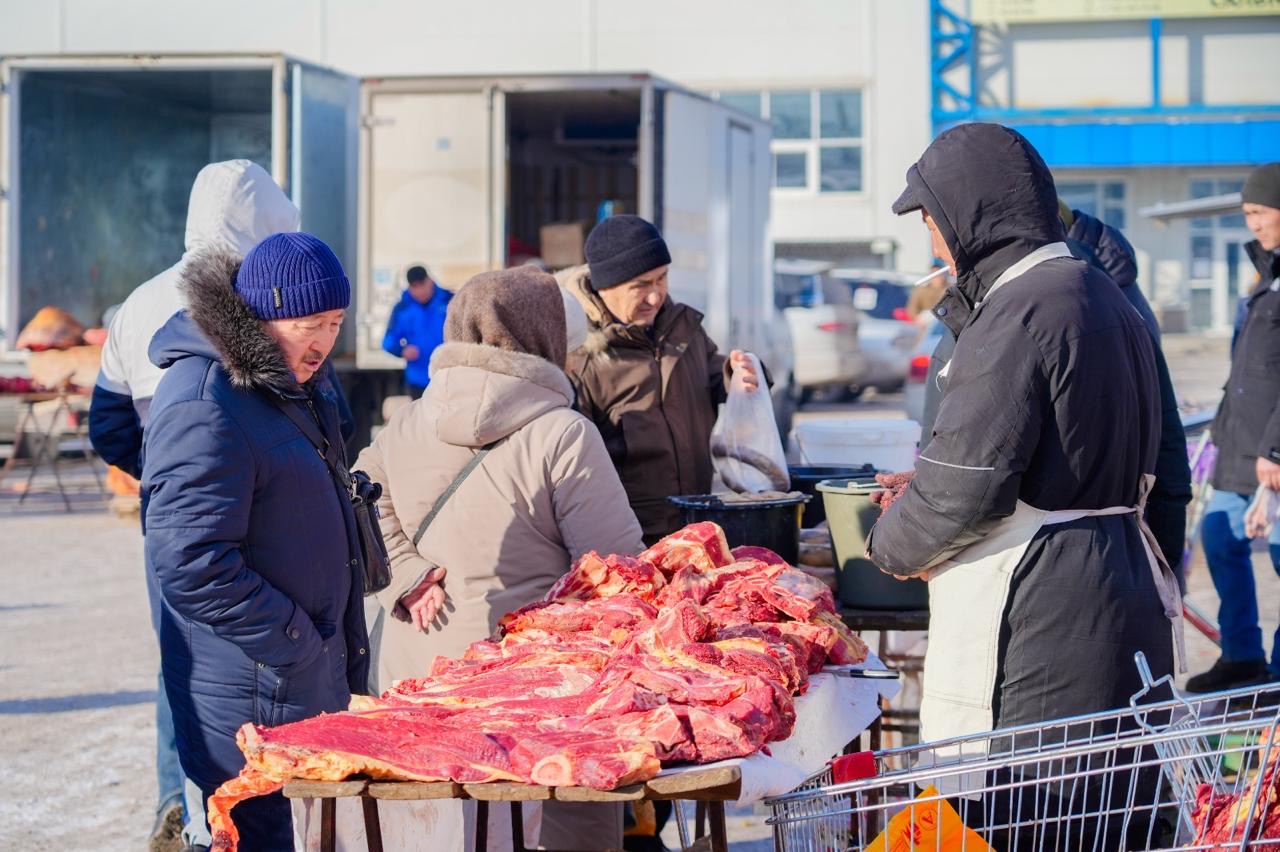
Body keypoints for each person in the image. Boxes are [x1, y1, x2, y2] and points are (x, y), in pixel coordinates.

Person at [866, 123, 1177, 738]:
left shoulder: (1019, 312)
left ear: (969, 214)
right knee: (1107, 809)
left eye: (930, 222)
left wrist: (888, 544)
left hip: (1042, 618)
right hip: (1121, 589)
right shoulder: (1102, 295)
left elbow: (963, 493)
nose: (933, 247)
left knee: (1024, 812)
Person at [356, 266, 643, 850]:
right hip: (533, 700)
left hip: (412, 683)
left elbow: (357, 500)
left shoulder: (406, 421)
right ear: (545, 342)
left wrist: (406, 577)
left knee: (434, 833)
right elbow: (617, 577)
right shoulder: (564, 435)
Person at [89, 159, 299, 852]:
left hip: (170, 528)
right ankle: (235, 815)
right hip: (259, 522)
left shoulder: (138, 303)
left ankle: (178, 806)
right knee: (253, 671)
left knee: (180, 664)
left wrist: (164, 484)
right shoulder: (261, 297)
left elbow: (108, 425)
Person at [142, 232, 369, 851]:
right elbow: (190, 563)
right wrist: (298, 643)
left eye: (335, 322)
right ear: (262, 315)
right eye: (307, 322)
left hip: (293, 685)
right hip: (250, 698)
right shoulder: (205, 400)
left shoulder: (292, 386)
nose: (323, 340)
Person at [562, 214, 761, 545]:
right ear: (604, 287)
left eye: (661, 279)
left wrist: (734, 374)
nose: (655, 296)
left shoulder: (684, 328)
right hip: (633, 543)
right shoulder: (580, 359)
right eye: (640, 285)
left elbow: (709, 373)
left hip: (698, 526)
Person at [1058, 201, 1193, 585]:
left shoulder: (1085, 300)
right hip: (1116, 525)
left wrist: (1163, 562)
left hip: (1102, 531)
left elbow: (1164, 438)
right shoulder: (1116, 289)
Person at [1186, 162, 1280, 693]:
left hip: (1274, 452)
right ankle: (1243, 654)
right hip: (1239, 447)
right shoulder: (1264, 276)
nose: (1253, 225)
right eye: (1246, 214)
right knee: (1219, 538)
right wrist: (1217, 431)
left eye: (1260, 213)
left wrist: (1277, 450)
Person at [382, 264, 451, 399]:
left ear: (430, 280)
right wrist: (402, 350)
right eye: (414, 287)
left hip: (447, 376)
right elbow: (388, 341)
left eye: (422, 285)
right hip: (417, 380)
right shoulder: (402, 308)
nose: (419, 291)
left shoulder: (449, 300)